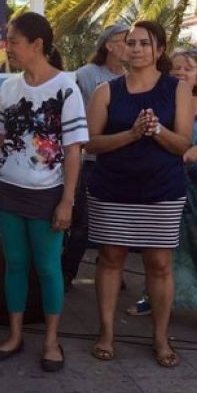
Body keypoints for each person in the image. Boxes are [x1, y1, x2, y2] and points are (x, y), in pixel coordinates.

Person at [0, 12, 88, 371]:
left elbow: (74, 149)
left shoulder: (66, 88)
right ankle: (14, 335)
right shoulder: (9, 87)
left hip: (48, 195)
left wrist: (67, 201)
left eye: (13, 41)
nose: (8, 47)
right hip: (9, 191)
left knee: (47, 268)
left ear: (37, 45)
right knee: (14, 265)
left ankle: (51, 341)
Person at [86, 20, 192, 368]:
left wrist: (156, 129)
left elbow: (183, 144)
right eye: (130, 42)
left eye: (144, 43)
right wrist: (131, 135)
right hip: (112, 189)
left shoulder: (176, 90)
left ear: (159, 50)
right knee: (110, 259)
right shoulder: (106, 91)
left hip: (161, 190)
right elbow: (91, 143)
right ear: (120, 48)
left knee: (159, 264)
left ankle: (160, 338)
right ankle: (106, 333)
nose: (136, 48)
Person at [127, 50, 197, 335]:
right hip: (161, 186)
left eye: (188, 68)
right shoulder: (158, 101)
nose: (181, 72)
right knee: (158, 250)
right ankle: (153, 297)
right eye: (175, 68)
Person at [62, 23, 128, 289]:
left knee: (118, 223)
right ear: (109, 45)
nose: (132, 46)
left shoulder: (136, 76)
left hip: (125, 162)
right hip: (92, 162)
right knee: (83, 223)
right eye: (126, 40)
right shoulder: (85, 76)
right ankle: (66, 274)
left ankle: (112, 272)